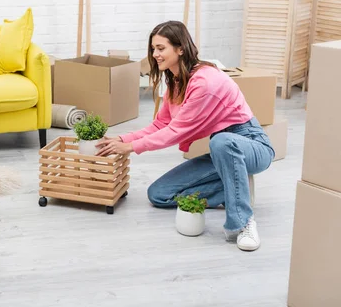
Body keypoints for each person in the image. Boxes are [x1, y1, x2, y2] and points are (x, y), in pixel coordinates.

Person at [96, 21, 274, 252]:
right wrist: (123, 139)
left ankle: (243, 222)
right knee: (159, 195)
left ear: (180, 49)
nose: (155, 54)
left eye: (161, 48)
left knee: (221, 142)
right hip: (222, 151)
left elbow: (175, 131)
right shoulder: (177, 82)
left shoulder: (204, 81)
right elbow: (161, 124)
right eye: (153, 49)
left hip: (250, 144)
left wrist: (131, 148)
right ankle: (234, 186)